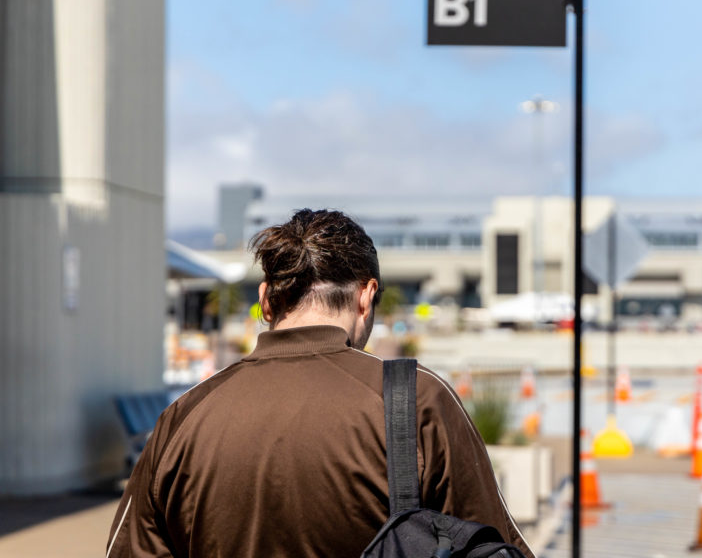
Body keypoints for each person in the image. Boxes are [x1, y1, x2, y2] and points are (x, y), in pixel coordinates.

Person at [106, 209, 534, 558]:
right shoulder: (414, 400)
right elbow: (495, 547)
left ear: (266, 300)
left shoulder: (185, 415)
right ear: (366, 297)